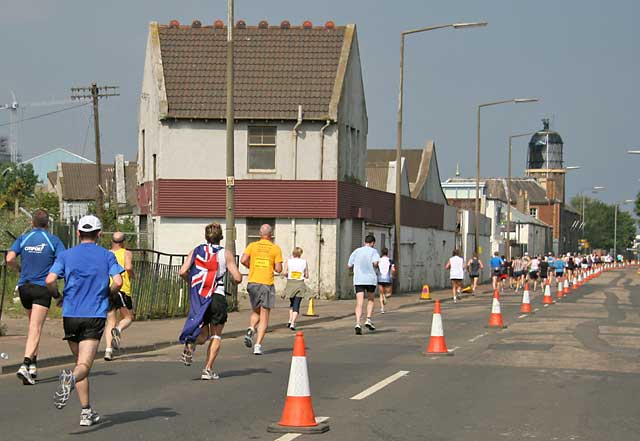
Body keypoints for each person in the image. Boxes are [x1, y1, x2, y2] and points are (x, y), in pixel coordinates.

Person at [46, 215, 124, 426]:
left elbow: (50, 280)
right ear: (99, 234)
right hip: (93, 315)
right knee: (83, 366)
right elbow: (118, 281)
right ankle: (69, 380)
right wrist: (108, 294)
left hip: (70, 315)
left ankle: (86, 411)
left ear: (78, 233)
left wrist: (57, 296)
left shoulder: (66, 255)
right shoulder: (107, 255)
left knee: (79, 363)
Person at [6, 209, 65, 385]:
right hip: (41, 288)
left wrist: (19, 270)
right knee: (36, 328)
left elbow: (9, 258)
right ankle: (24, 364)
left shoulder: (24, 239)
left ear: (32, 223)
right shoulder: (53, 240)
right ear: (47, 224)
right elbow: (63, 261)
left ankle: (33, 366)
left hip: (24, 287)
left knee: (32, 326)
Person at [178, 222, 242, 379]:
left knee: (203, 333)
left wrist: (193, 282)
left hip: (201, 297)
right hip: (217, 295)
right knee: (215, 336)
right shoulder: (225, 254)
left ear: (206, 236)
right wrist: (234, 281)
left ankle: (191, 343)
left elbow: (182, 271)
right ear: (221, 237)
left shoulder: (195, 251)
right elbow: (238, 277)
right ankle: (207, 369)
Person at [241, 224, 283, 355]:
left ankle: (251, 328)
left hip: (252, 283)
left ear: (260, 234)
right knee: (264, 316)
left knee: (256, 310)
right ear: (271, 235)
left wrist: (250, 266)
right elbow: (278, 269)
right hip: (266, 284)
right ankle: (258, 345)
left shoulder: (252, 246)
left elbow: (243, 260)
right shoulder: (275, 248)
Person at [104, 232, 135, 361]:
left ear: (112, 241)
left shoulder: (106, 253)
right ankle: (118, 329)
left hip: (109, 289)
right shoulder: (126, 253)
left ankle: (108, 350)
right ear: (123, 242)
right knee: (128, 317)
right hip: (122, 289)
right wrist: (133, 274)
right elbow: (128, 267)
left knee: (110, 320)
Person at [348, 234, 380, 335]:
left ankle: (358, 323)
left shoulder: (357, 251)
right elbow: (375, 263)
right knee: (370, 299)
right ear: (373, 243)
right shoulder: (374, 251)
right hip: (370, 279)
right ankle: (368, 319)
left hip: (359, 279)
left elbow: (349, 265)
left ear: (365, 242)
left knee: (359, 302)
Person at [282, 247, 312, 330]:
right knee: (297, 304)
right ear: (300, 254)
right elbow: (306, 275)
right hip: (300, 284)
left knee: (291, 303)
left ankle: (290, 320)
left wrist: (289, 274)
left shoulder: (288, 261)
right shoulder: (304, 262)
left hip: (290, 284)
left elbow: (284, 272)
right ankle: (292, 323)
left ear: (293, 253)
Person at [377, 248, 396, 313]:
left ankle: (382, 309)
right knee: (389, 294)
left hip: (380, 278)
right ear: (387, 253)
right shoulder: (390, 260)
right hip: (388, 278)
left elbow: (376, 266)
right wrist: (393, 276)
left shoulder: (379, 260)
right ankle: (385, 296)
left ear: (381, 253)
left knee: (381, 294)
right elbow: (393, 270)